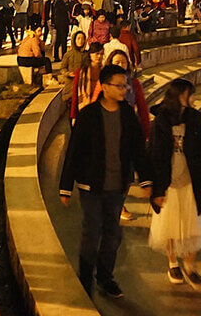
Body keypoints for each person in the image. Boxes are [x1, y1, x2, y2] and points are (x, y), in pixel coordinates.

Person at [58, 63, 153, 298]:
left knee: (113, 235)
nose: (124, 90)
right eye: (119, 86)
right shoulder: (89, 115)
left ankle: (104, 277)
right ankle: (85, 277)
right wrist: (65, 187)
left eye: (125, 86)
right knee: (91, 233)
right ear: (105, 87)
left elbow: (138, 150)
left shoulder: (127, 115)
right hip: (91, 186)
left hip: (117, 187)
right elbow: (74, 151)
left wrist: (147, 180)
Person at [149, 78, 201, 289]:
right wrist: (155, 187)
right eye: (190, 94)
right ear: (180, 96)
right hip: (169, 180)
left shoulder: (195, 118)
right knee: (169, 225)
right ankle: (173, 262)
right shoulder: (161, 120)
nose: (194, 98)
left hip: (190, 178)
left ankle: (189, 265)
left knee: (193, 224)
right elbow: (155, 154)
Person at [70, 43, 106, 123]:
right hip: (85, 107)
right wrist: (74, 116)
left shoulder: (104, 71)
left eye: (101, 54)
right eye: (97, 54)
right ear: (90, 54)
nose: (99, 56)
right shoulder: (81, 72)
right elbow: (75, 93)